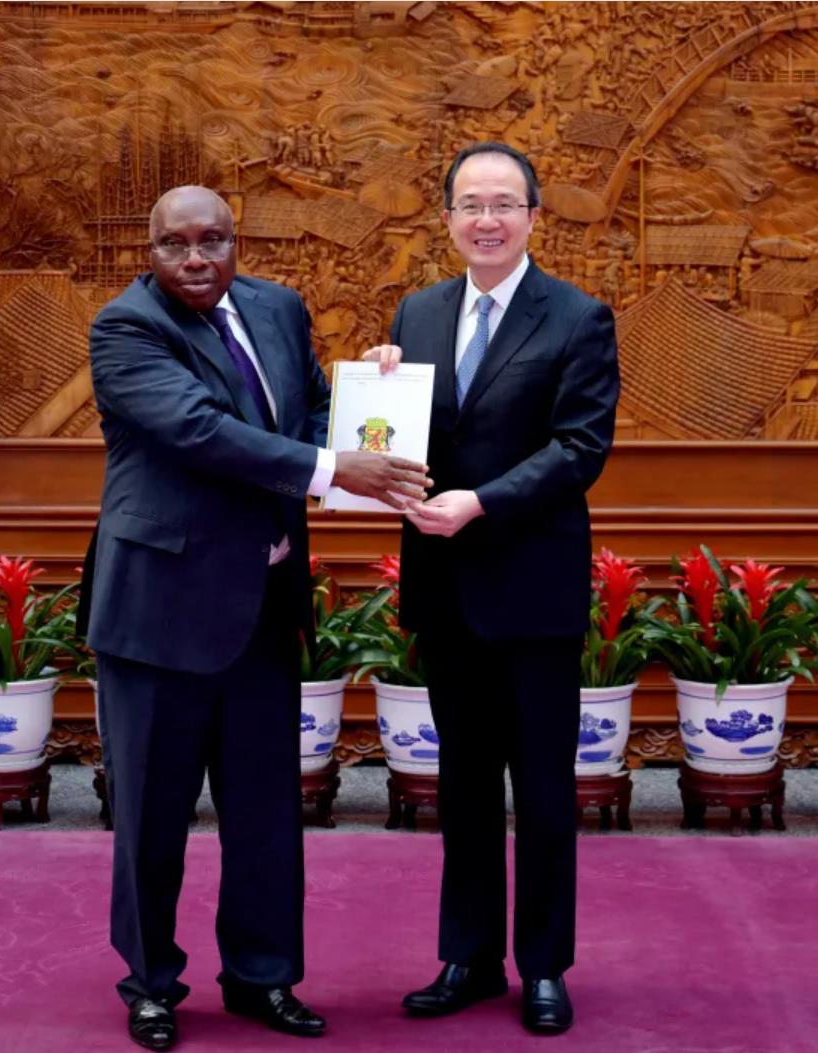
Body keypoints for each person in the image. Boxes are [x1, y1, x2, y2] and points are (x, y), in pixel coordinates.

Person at [84, 185, 429, 1051]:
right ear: (149, 252)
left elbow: (310, 411)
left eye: (213, 239)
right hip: (160, 612)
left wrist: (377, 404)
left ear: (237, 242)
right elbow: (200, 431)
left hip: (262, 606)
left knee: (268, 811)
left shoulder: (276, 308)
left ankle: (262, 976)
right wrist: (335, 468)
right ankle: (150, 983)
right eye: (175, 244)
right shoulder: (126, 329)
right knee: (152, 815)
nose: (196, 258)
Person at [364, 142, 619, 1035]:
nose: (487, 220)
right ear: (447, 219)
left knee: (543, 789)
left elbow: (580, 447)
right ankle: (469, 957)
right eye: (470, 204)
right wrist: (379, 392)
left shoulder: (578, 317)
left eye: (504, 204)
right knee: (464, 785)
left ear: (533, 217)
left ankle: (544, 965)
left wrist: (483, 502)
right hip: (447, 589)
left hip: (533, 588)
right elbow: (403, 435)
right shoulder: (419, 312)